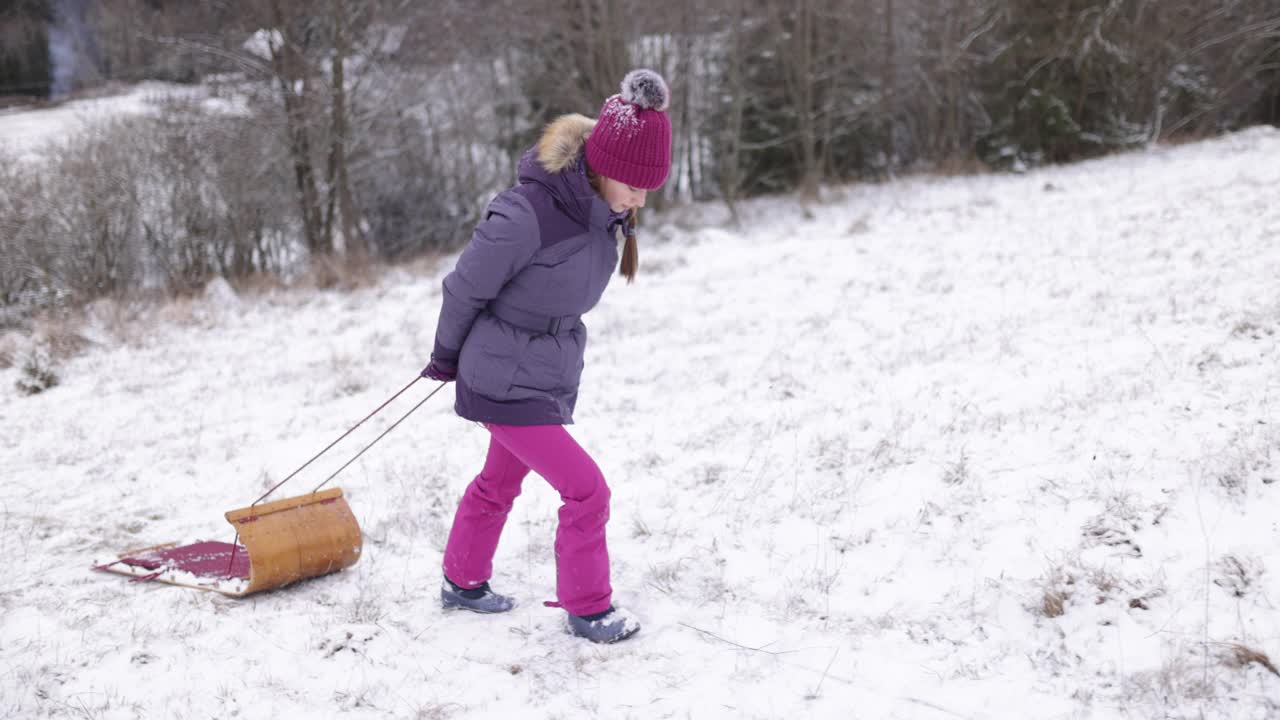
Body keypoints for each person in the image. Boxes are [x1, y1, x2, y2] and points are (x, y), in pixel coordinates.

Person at [421, 69, 671, 644]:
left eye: (647, 187)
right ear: (600, 164)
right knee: (588, 490)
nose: (638, 198)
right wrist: (446, 356)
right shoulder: (527, 214)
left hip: (537, 368)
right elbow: (464, 288)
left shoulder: (603, 215)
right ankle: (588, 608)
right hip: (502, 373)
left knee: (498, 479)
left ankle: (462, 583)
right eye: (631, 183)